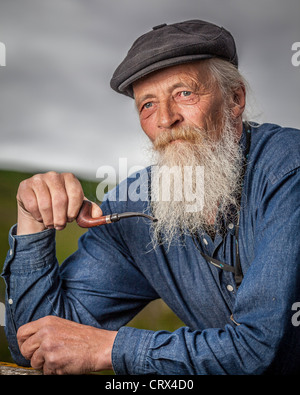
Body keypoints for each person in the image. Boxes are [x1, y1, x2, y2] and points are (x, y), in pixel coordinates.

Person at [2, 19, 300, 375]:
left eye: (184, 93)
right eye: (147, 105)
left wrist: (109, 349)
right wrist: (32, 218)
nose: (166, 119)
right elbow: (35, 346)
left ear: (235, 99)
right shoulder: (132, 206)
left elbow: (261, 348)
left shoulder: (288, 172)